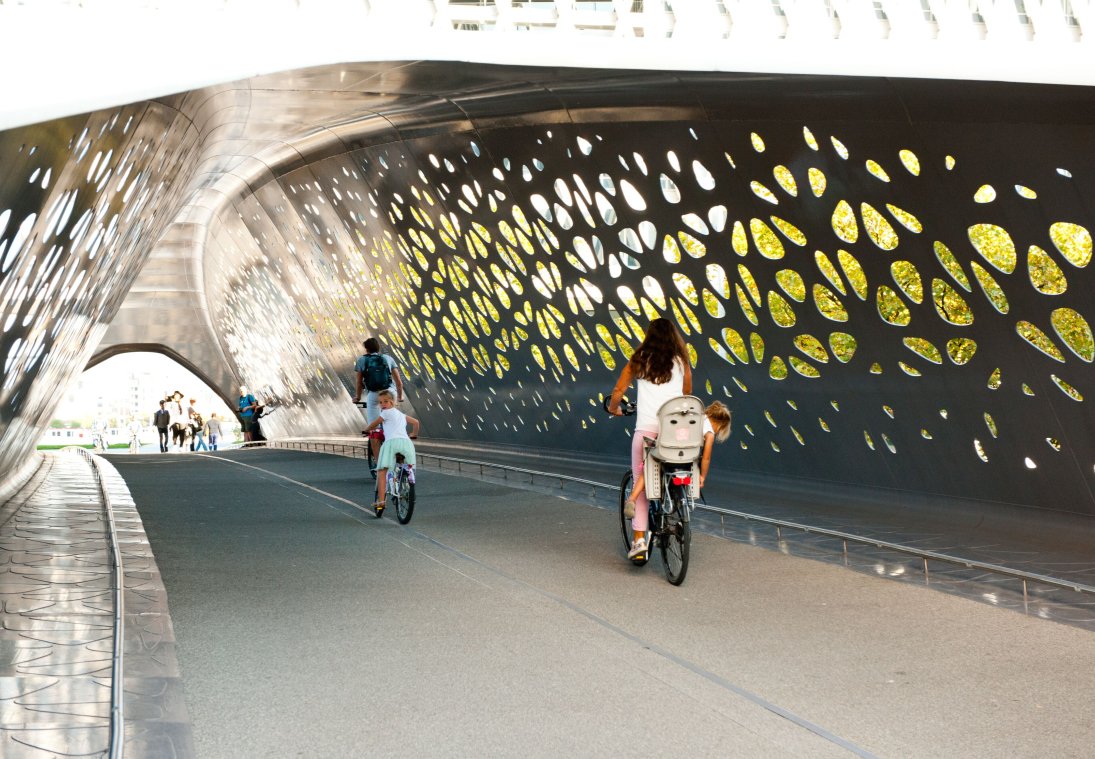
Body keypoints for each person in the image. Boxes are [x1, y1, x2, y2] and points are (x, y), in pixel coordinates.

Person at [607, 317, 692, 561]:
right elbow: (687, 392)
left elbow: (618, 392)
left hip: (646, 431)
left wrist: (614, 408)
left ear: (649, 336)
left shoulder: (639, 360)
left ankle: (639, 542)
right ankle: (678, 504)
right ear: (673, 337)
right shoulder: (681, 361)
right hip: (675, 431)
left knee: (640, 484)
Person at [623, 401, 731, 513]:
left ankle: (632, 499)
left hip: (666, 452)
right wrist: (702, 477)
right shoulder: (709, 433)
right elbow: (706, 458)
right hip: (687, 459)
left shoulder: (693, 416)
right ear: (720, 424)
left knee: (649, 466)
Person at [361, 389, 420, 514]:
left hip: (391, 444)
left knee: (382, 472)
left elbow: (374, 424)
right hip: (406, 444)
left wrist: (365, 430)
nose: (382, 404)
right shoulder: (402, 415)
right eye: (380, 402)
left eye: (385, 401)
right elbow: (416, 422)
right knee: (405, 466)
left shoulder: (386, 413)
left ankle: (381, 502)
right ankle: (406, 480)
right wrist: (413, 434)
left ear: (392, 402)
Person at [354, 337, 404, 460]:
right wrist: (400, 396)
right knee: (393, 424)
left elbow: (359, 383)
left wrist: (358, 397)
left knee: (373, 429)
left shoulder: (362, 360)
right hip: (389, 393)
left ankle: (379, 463)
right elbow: (398, 382)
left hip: (374, 394)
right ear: (378, 347)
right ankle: (397, 452)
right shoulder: (388, 358)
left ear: (366, 349)